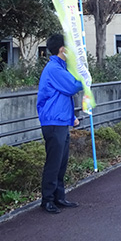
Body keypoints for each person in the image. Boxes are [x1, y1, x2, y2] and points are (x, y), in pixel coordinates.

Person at [37, 34, 83, 214]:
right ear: (62, 49)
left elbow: (61, 97)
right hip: (53, 122)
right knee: (54, 162)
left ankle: (58, 196)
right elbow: (72, 86)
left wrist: (71, 118)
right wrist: (84, 76)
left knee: (61, 161)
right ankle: (47, 199)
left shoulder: (58, 68)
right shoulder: (54, 69)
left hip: (60, 121)